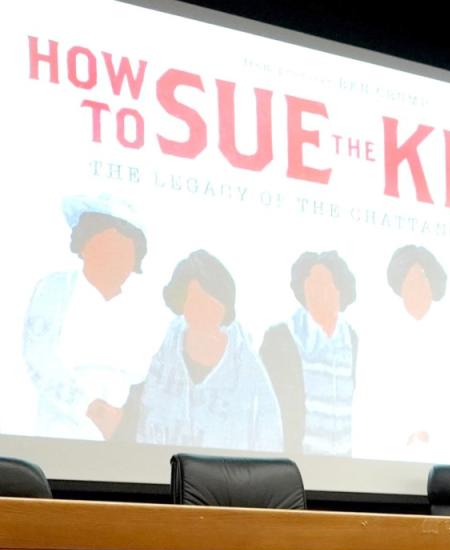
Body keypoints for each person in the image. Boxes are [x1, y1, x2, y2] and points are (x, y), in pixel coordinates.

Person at [22, 194, 166, 440]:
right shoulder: (55, 288)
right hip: (60, 433)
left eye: (125, 251)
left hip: (127, 443)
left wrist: (125, 419)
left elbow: (154, 378)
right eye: (107, 246)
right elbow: (39, 354)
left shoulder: (145, 310)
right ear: (85, 245)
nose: (116, 259)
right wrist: (88, 408)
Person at [134, 250, 282, 451]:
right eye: (195, 300)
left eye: (212, 303)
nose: (203, 311)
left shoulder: (249, 372)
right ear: (182, 303)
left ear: (224, 308)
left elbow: (270, 438)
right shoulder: (160, 353)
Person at [354, 244, 450, 462]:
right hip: (391, 457)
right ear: (401, 287)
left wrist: (435, 434)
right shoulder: (380, 337)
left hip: (447, 460)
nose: (419, 286)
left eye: (423, 278)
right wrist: (403, 434)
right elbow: (370, 401)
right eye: (411, 280)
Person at [260, 251, 359, 456]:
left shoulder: (352, 339)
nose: (316, 291)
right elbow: (267, 411)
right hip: (295, 467)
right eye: (310, 283)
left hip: (348, 467)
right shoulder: (280, 338)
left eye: (324, 283)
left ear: (340, 290)